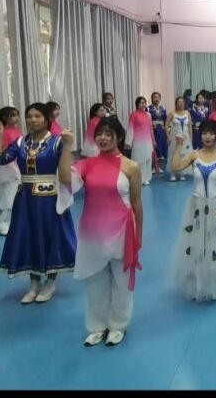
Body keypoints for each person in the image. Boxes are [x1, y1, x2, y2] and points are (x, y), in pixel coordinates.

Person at [58, 118, 143, 347]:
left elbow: (136, 203)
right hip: (92, 231)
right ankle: (97, 326)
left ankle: (118, 325)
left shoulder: (131, 167)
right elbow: (65, 179)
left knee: (121, 281)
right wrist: (67, 146)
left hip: (123, 230)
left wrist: (139, 236)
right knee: (95, 281)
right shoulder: (87, 164)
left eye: (108, 134)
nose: (102, 138)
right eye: (99, 134)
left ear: (119, 137)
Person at [0, 103, 77, 304]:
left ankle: (51, 281)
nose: (32, 119)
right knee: (28, 237)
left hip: (50, 200)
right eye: (29, 116)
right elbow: (1, 159)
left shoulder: (57, 142)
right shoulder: (21, 142)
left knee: (51, 237)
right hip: (25, 200)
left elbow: (66, 173)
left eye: (37, 116)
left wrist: (68, 146)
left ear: (46, 119)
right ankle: (34, 283)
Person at [169, 120, 216, 301]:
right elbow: (175, 167)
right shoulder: (194, 155)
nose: (207, 137)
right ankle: (199, 284)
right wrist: (179, 145)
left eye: (211, 133)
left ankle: (215, 284)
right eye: (204, 133)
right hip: (197, 208)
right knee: (197, 245)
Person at [0, 106, 22, 236]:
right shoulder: (4, 133)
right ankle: (3, 225)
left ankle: (9, 221)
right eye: (13, 115)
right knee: (10, 198)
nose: (16, 118)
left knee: (14, 196)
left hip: (18, 165)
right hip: (9, 166)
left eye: (17, 115)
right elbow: (1, 152)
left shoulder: (18, 131)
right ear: (5, 118)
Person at [126, 96, 156, 186]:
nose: (143, 104)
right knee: (138, 159)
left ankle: (147, 178)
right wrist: (128, 142)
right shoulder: (133, 115)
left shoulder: (148, 115)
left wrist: (153, 140)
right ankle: (139, 178)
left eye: (144, 103)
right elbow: (130, 128)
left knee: (148, 160)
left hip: (147, 141)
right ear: (137, 104)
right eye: (141, 103)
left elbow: (150, 128)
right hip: (138, 141)